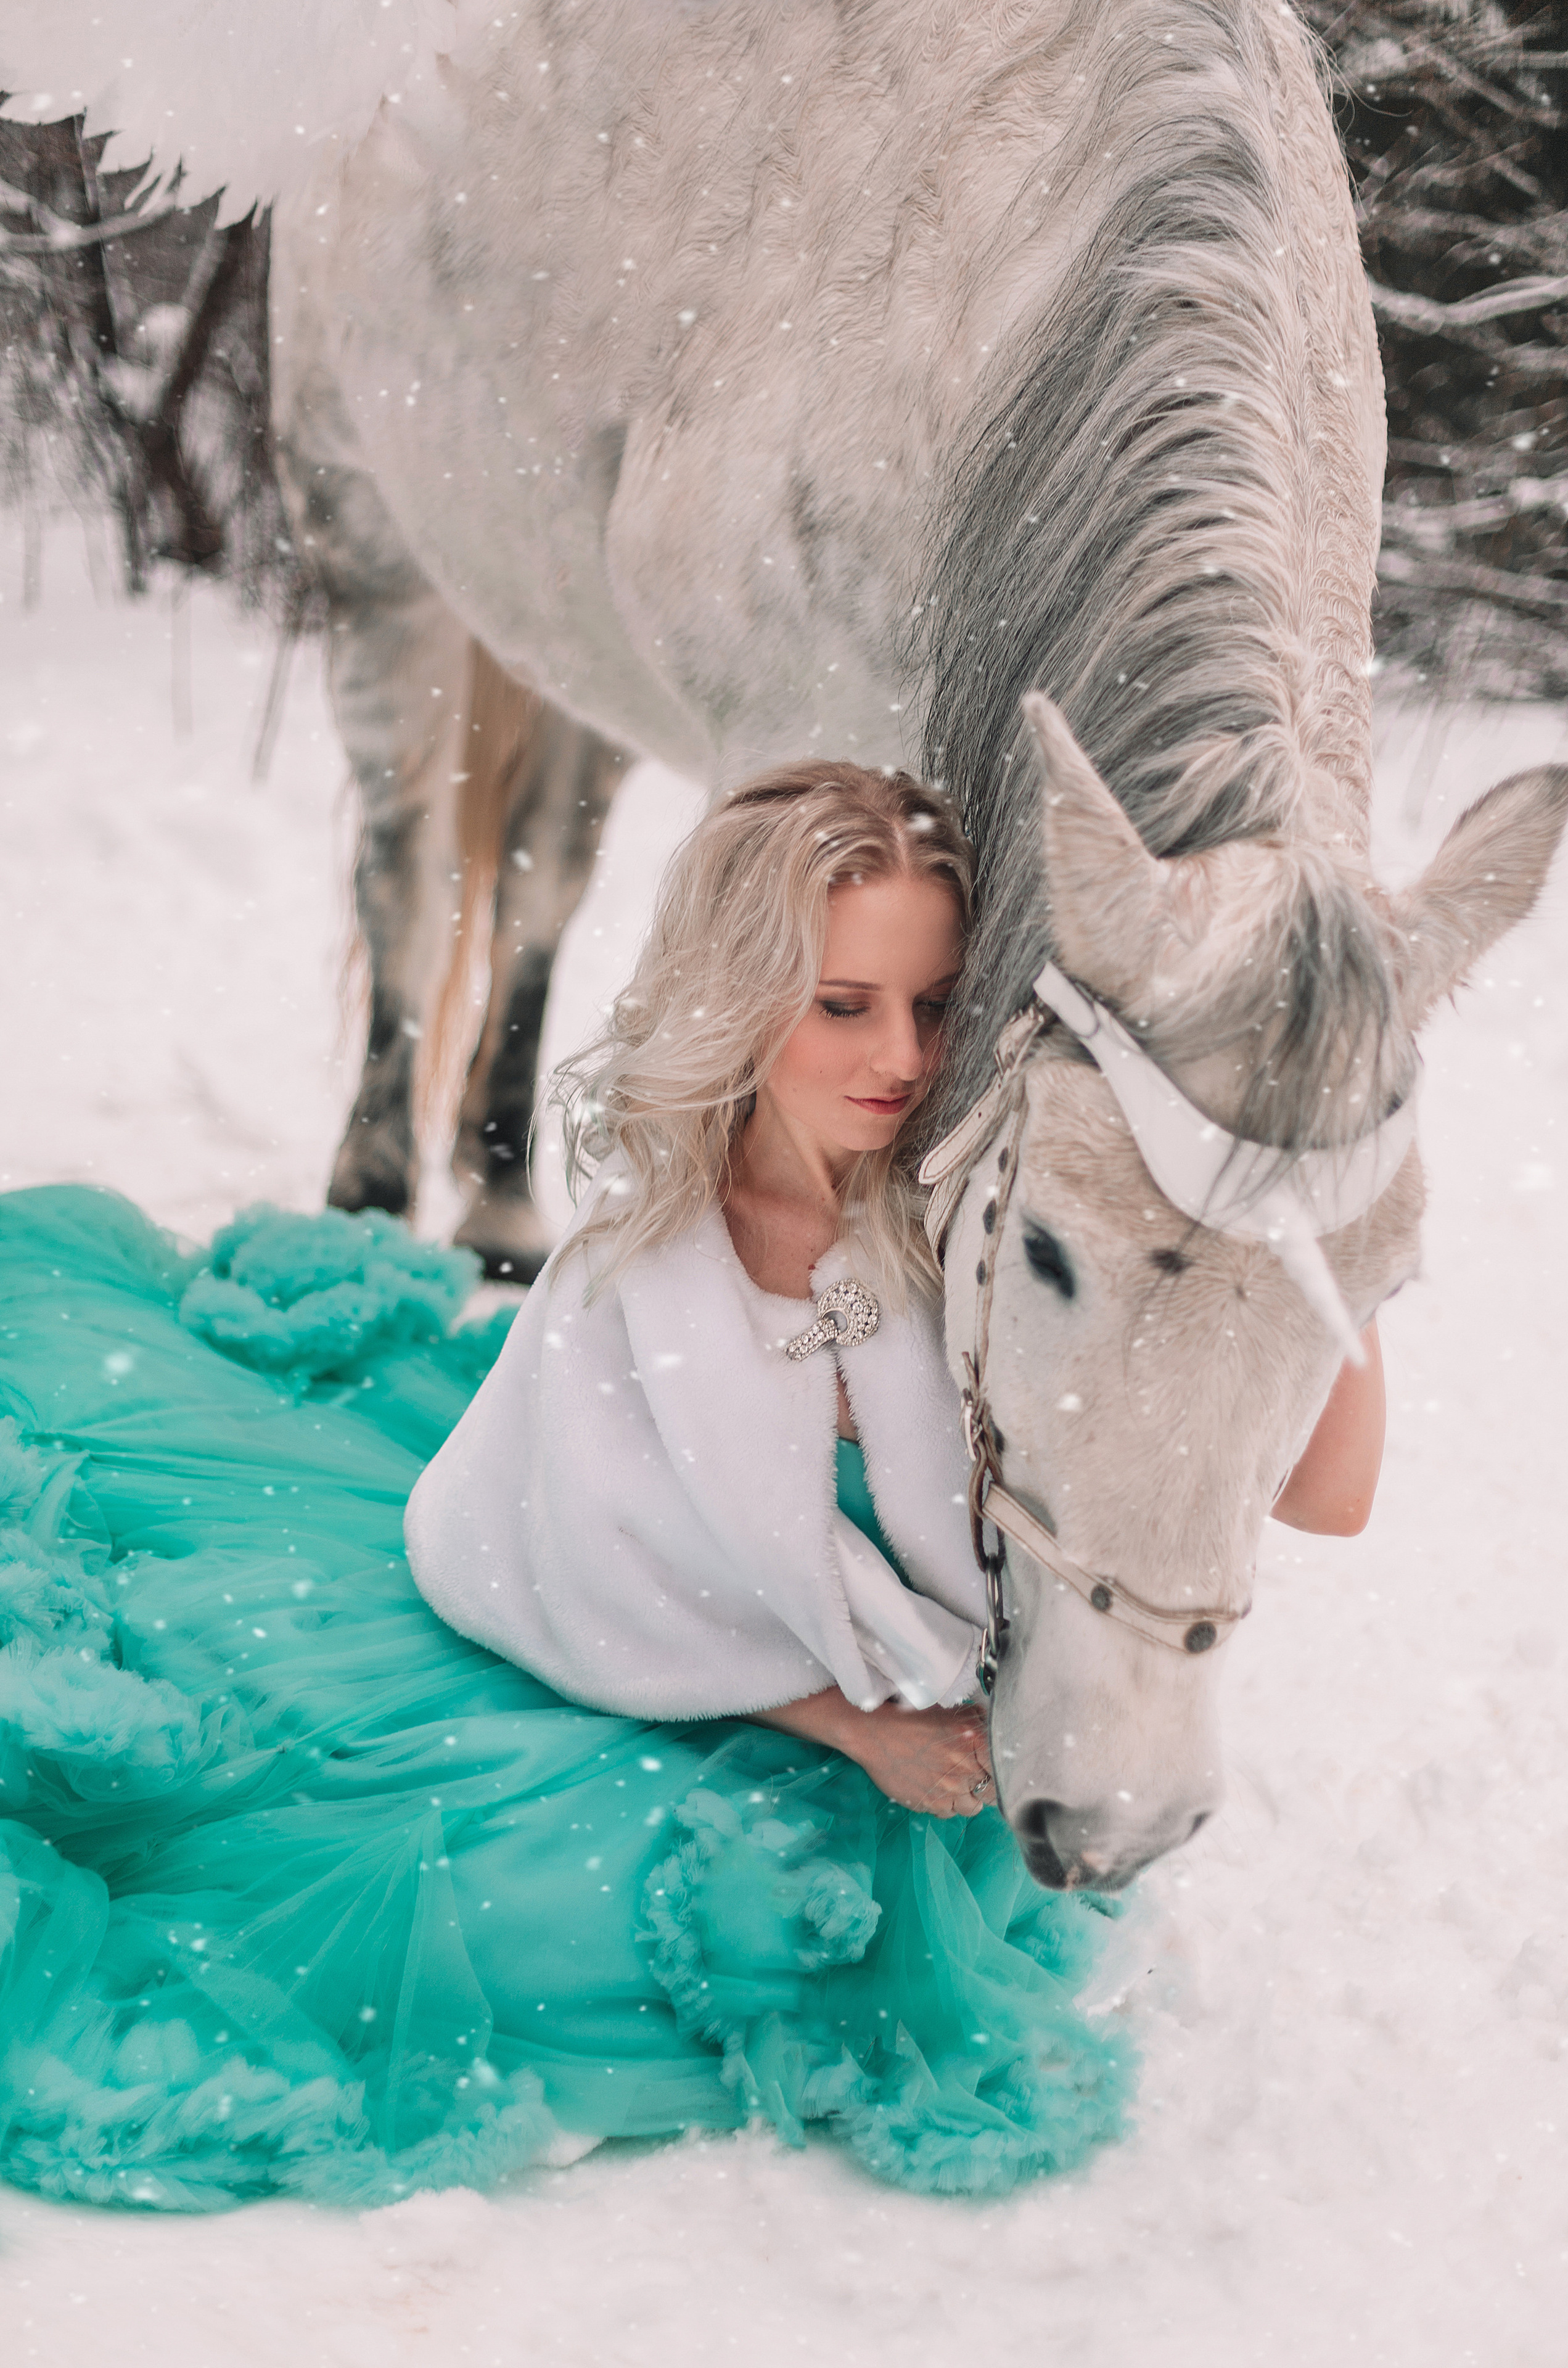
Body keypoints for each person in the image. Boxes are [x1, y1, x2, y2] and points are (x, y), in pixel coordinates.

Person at [0, 760, 1382, 2215]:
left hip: (943, 1756)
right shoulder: (648, 1260)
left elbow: (1324, 1496)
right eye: (842, 1005)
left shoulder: (988, 1213)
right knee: (510, 1916)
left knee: (764, 1925)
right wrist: (843, 1724)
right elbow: (551, 1576)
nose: (900, 1057)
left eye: (933, 1002)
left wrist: (1319, 1232)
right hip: (682, 1706)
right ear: (743, 995)